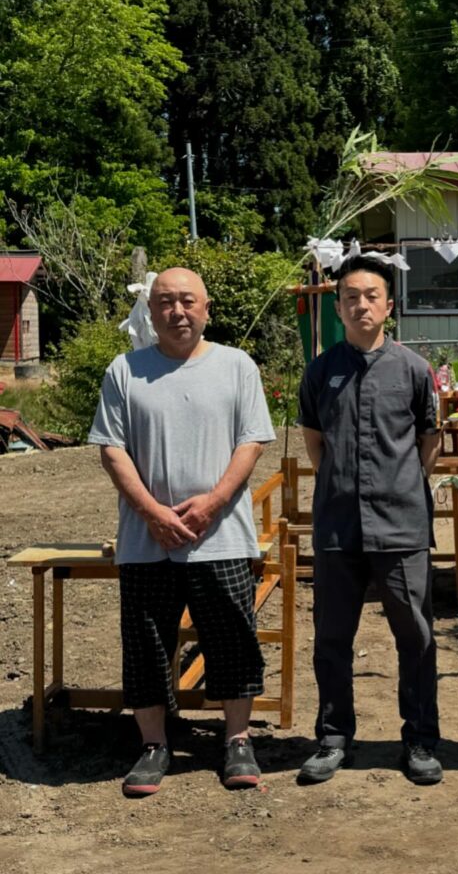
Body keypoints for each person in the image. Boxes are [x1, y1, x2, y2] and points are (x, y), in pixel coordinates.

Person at [89, 267, 276, 797]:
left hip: (221, 535)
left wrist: (212, 504)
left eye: (188, 301)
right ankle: (153, 744)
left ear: (206, 308)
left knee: (232, 639)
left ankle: (237, 739)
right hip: (146, 539)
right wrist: (153, 512)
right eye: (166, 302)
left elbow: (251, 443)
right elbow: (111, 449)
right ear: (150, 312)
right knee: (146, 644)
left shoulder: (236, 366)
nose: (178, 311)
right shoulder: (125, 371)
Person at [297, 255, 443, 786]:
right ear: (338, 307)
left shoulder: (413, 369)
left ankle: (421, 739)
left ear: (389, 305)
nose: (361, 305)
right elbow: (315, 442)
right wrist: (341, 484)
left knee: (416, 637)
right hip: (338, 526)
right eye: (351, 297)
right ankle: (334, 737)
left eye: (371, 296)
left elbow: (429, 440)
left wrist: (399, 484)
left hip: (401, 525)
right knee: (332, 638)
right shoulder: (321, 371)